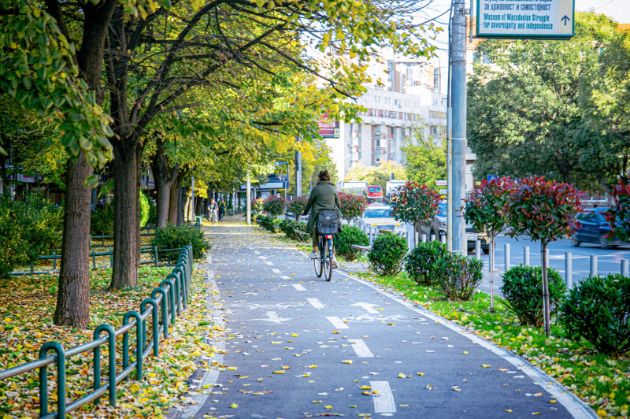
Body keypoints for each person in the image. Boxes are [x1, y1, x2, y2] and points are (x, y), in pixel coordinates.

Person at [302, 170, 341, 267]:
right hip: (332, 215)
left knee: (316, 230)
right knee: (332, 232)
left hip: (319, 215)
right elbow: (338, 204)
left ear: (319, 178)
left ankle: (315, 251)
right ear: (329, 178)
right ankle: (333, 256)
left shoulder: (316, 189)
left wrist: (305, 212)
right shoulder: (333, 188)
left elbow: (310, 203)